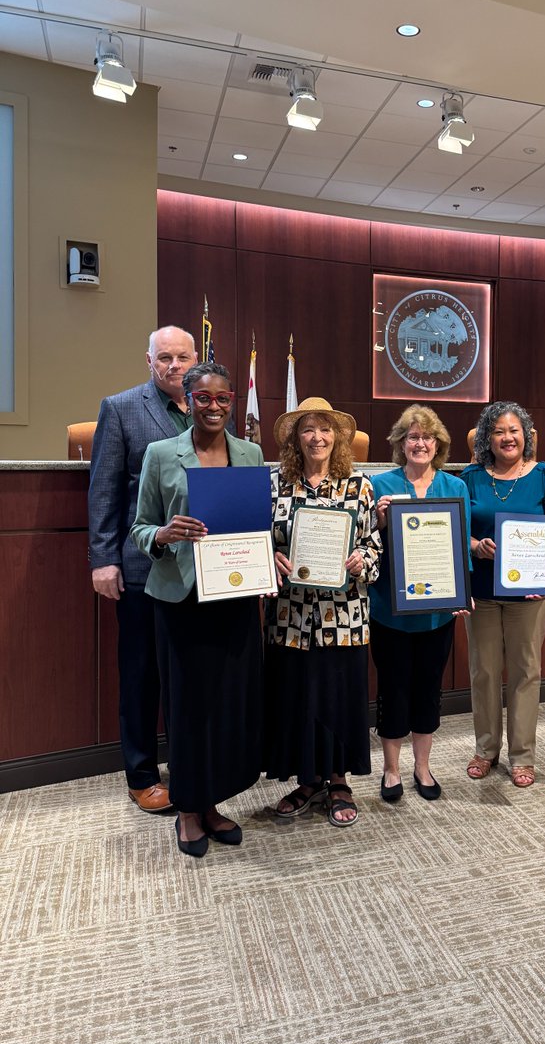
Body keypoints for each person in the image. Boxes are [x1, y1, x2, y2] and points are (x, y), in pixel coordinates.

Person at [130, 362, 265, 857]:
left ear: (233, 401)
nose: (214, 407)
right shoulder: (161, 453)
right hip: (181, 600)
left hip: (234, 597)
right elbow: (140, 526)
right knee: (189, 707)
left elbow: (254, 522)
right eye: (203, 399)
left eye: (222, 399)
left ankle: (212, 802)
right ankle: (188, 809)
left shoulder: (250, 453)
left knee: (228, 703)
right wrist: (164, 534)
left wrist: (265, 561)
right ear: (187, 401)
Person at [88, 325, 198, 813]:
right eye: (165, 358)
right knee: (140, 675)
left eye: (182, 358)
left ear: (196, 360)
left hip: (199, 571)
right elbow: (105, 491)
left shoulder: (210, 407)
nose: (175, 366)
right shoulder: (122, 408)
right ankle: (140, 774)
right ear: (148, 361)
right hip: (141, 567)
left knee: (186, 673)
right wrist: (104, 559)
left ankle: (189, 766)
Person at [265, 397, 381, 827]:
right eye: (309, 429)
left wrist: (361, 561)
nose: (318, 437)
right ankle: (308, 780)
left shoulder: (359, 486)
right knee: (297, 696)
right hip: (290, 616)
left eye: (326, 429)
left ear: (339, 437)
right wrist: (269, 558)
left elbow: (374, 545)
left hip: (344, 615)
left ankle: (338, 779)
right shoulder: (275, 484)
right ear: (297, 438)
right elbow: (261, 538)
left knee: (337, 696)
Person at [461, 401, 545, 788]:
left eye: (514, 431)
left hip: (531, 595)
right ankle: (486, 749)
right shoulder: (470, 478)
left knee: (526, 671)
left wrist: (544, 576)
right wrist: (475, 547)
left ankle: (523, 754)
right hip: (483, 591)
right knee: (484, 671)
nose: (507, 438)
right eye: (499, 431)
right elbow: (458, 528)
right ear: (487, 439)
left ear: (527, 436)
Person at [370, 405, 471, 803]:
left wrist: (462, 591)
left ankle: (422, 767)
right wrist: (377, 522)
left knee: (428, 689)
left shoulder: (455, 487)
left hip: (437, 613)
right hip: (389, 611)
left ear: (438, 444)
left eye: (427, 437)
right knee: (393, 689)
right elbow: (366, 545)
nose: (420, 443)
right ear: (400, 443)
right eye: (412, 437)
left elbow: (460, 546)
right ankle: (391, 769)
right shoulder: (379, 486)